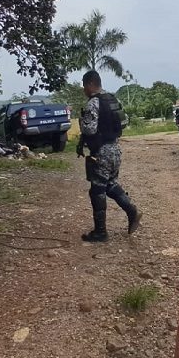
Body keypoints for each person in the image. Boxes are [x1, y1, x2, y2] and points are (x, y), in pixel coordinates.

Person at [76, 70, 142, 242]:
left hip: (102, 152)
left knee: (97, 190)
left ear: (90, 84)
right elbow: (124, 122)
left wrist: (82, 123)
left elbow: (89, 129)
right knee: (110, 184)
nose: (84, 90)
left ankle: (100, 232)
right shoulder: (113, 99)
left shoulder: (93, 103)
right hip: (115, 149)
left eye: (84, 86)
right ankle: (131, 210)